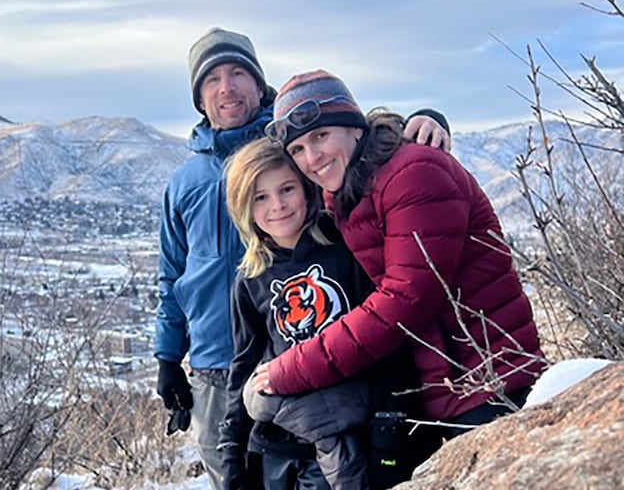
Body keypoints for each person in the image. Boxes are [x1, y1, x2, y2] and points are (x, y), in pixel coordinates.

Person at [154, 28, 451, 489]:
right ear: (199, 97)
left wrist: (421, 124)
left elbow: (356, 148)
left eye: (237, 73)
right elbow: (172, 275)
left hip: (338, 376)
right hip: (225, 370)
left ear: (259, 83)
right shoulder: (185, 182)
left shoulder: (297, 148)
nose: (226, 88)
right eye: (212, 80)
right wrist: (168, 356)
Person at [253, 69, 546, 440]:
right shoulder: (347, 193)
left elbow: (406, 301)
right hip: (446, 386)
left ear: (354, 127)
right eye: (297, 149)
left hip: (491, 378)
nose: (311, 158)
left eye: (320, 136)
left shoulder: (414, 172)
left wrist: (294, 368)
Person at [220, 138, 376, 489]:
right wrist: (233, 450)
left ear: (306, 189)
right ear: (244, 208)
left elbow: (383, 334)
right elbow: (244, 366)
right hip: (277, 442)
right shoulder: (250, 279)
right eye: (260, 197)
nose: (277, 206)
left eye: (286, 189)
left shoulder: (346, 247)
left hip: (347, 432)